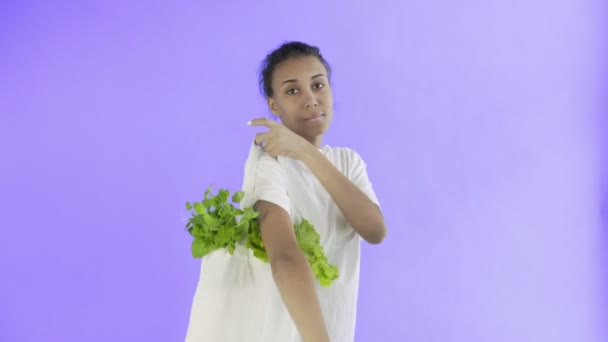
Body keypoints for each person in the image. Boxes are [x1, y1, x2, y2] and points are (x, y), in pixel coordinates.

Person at [185, 41, 386, 342]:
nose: (311, 99)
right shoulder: (269, 165)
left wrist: (307, 153)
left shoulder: (348, 162)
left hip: (335, 327)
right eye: (293, 91)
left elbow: (374, 229)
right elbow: (285, 257)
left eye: (318, 85)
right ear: (274, 105)